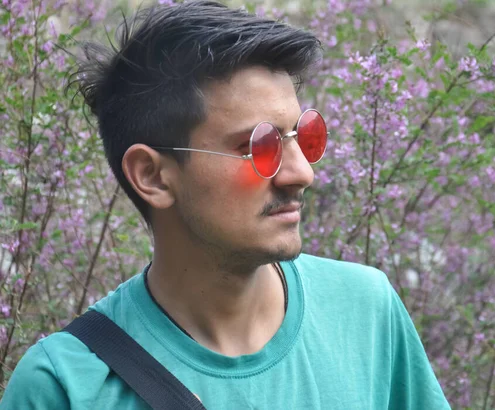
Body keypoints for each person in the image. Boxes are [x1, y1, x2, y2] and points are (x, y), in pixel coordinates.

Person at [0, 1, 450, 409]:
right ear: (153, 176)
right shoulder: (65, 387)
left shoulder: (366, 312)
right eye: (259, 146)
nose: (302, 174)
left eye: (304, 136)